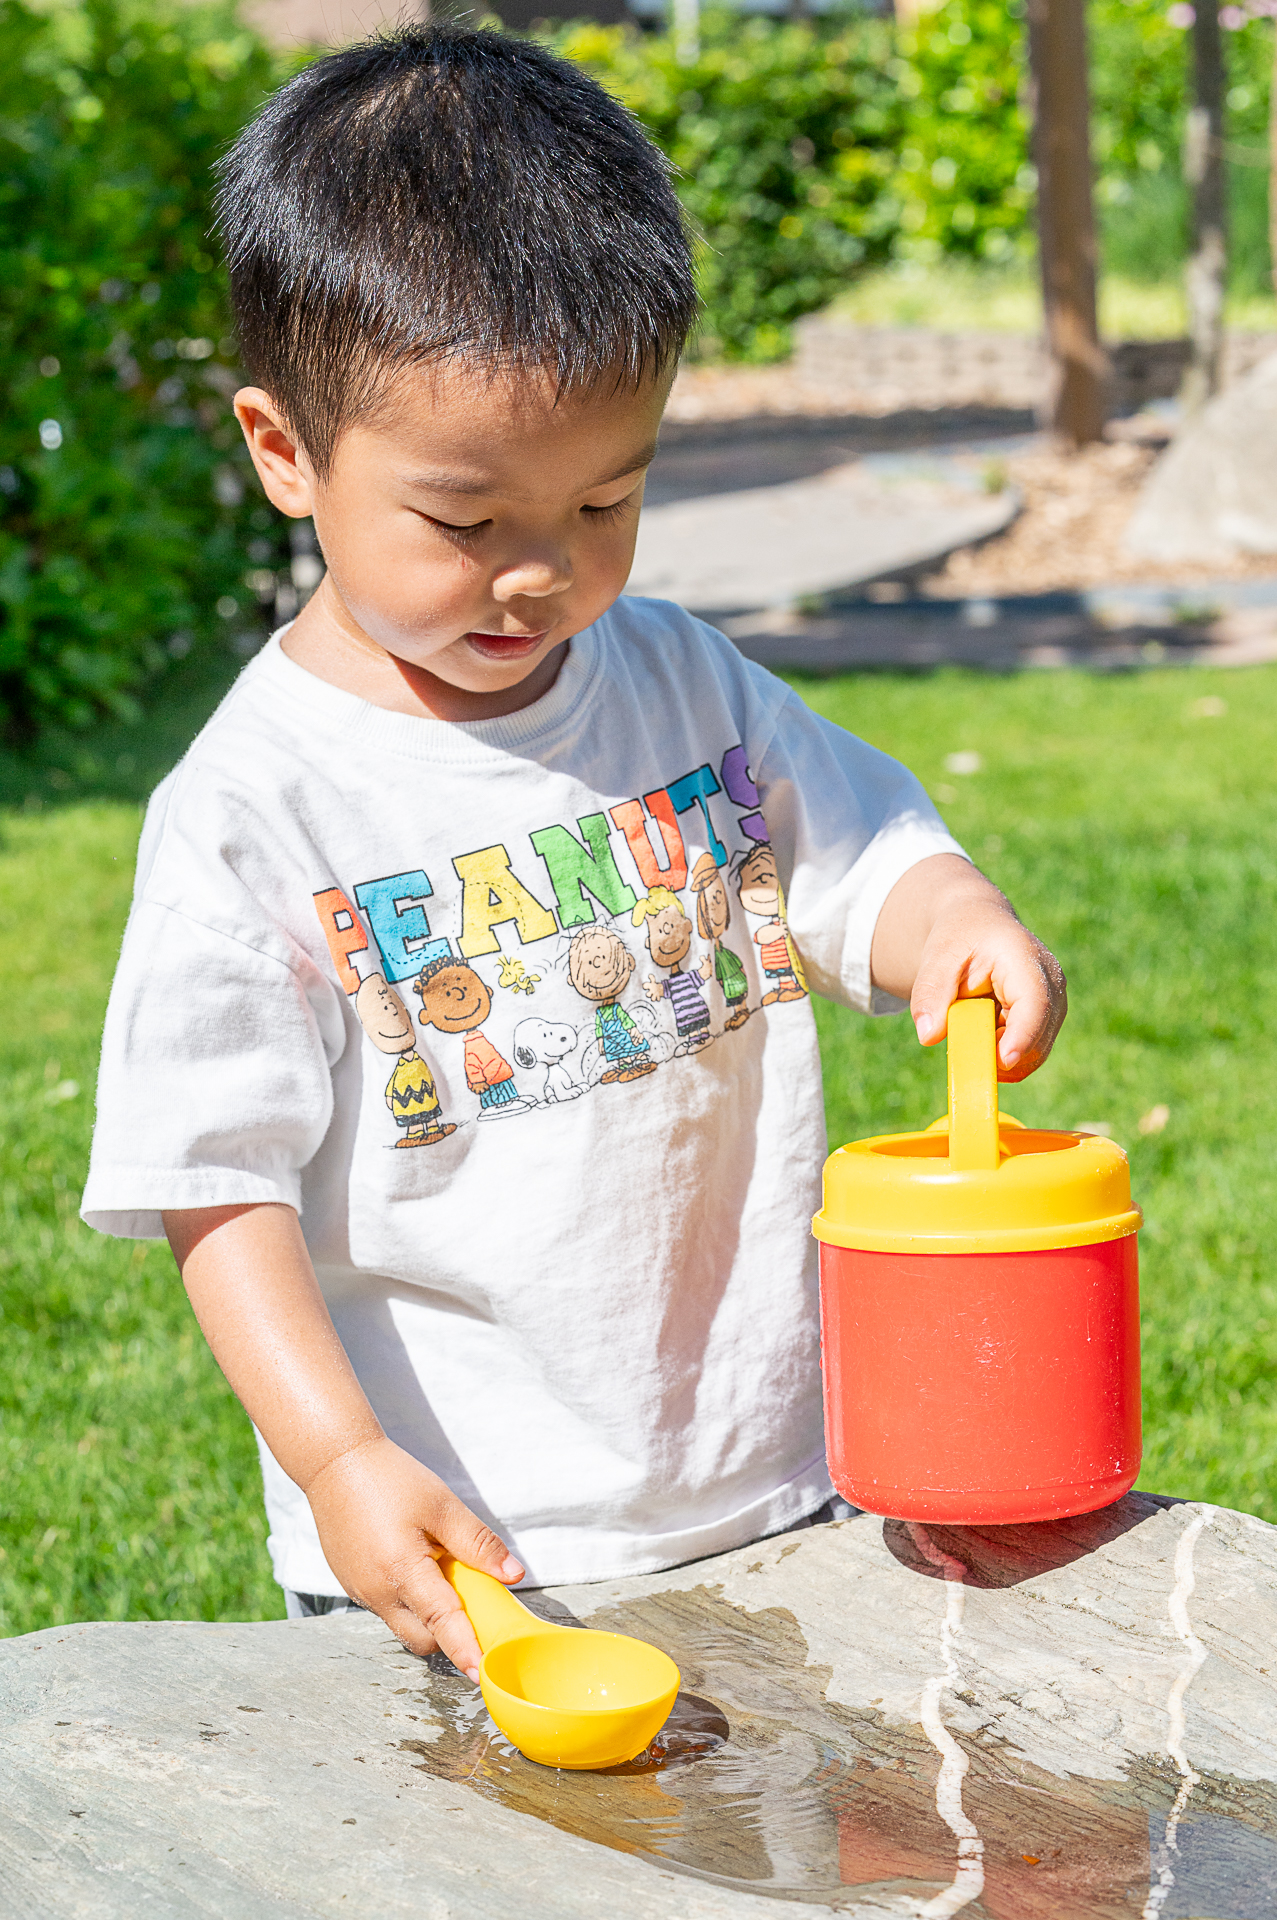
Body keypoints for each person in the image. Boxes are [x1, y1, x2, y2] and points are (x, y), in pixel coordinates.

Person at [82, 25, 1066, 1686]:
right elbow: (213, 1180)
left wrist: (949, 919)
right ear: (283, 450)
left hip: (771, 1473)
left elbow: (867, 851)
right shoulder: (258, 809)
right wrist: (335, 1461)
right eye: (465, 523)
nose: (539, 575)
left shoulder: (684, 685)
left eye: (605, 503)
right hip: (457, 1536)